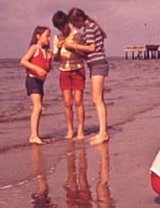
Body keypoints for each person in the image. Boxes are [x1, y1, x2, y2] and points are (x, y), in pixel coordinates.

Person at [64, 8, 109, 144]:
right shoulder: (90, 26)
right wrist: (74, 49)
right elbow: (89, 52)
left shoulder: (89, 27)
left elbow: (92, 48)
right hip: (96, 64)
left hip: (98, 64)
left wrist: (74, 45)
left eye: (73, 23)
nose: (73, 27)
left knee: (97, 99)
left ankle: (103, 133)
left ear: (78, 19)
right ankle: (102, 132)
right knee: (98, 99)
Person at [52, 10, 86, 139]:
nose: (62, 29)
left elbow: (85, 55)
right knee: (67, 102)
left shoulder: (78, 35)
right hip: (64, 71)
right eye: (59, 27)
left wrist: (73, 48)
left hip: (77, 69)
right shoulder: (57, 38)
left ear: (67, 23)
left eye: (63, 26)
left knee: (78, 101)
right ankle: (70, 130)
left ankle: (81, 129)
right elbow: (55, 59)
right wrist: (60, 49)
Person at [20, 26, 52, 144]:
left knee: (39, 108)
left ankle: (35, 134)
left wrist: (48, 60)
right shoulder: (34, 48)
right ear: (38, 36)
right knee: (37, 107)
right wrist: (37, 69)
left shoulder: (45, 51)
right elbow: (23, 61)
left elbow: (47, 69)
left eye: (49, 36)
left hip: (40, 82)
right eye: (47, 36)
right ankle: (33, 135)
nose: (49, 38)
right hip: (32, 79)